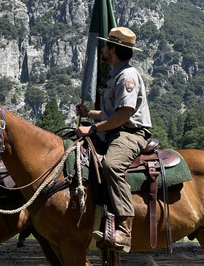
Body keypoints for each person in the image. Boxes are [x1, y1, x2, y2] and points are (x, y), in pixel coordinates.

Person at [75, 27, 152, 253]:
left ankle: (125, 229)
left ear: (113, 49)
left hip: (131, 133)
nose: (102, 49)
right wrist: (89, 114)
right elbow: (111, 112)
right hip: (115, 129)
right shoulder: (115, 74)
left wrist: (92, 129)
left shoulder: (127, 76)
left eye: (106, 45)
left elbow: (123, 115)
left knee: (112, 165)